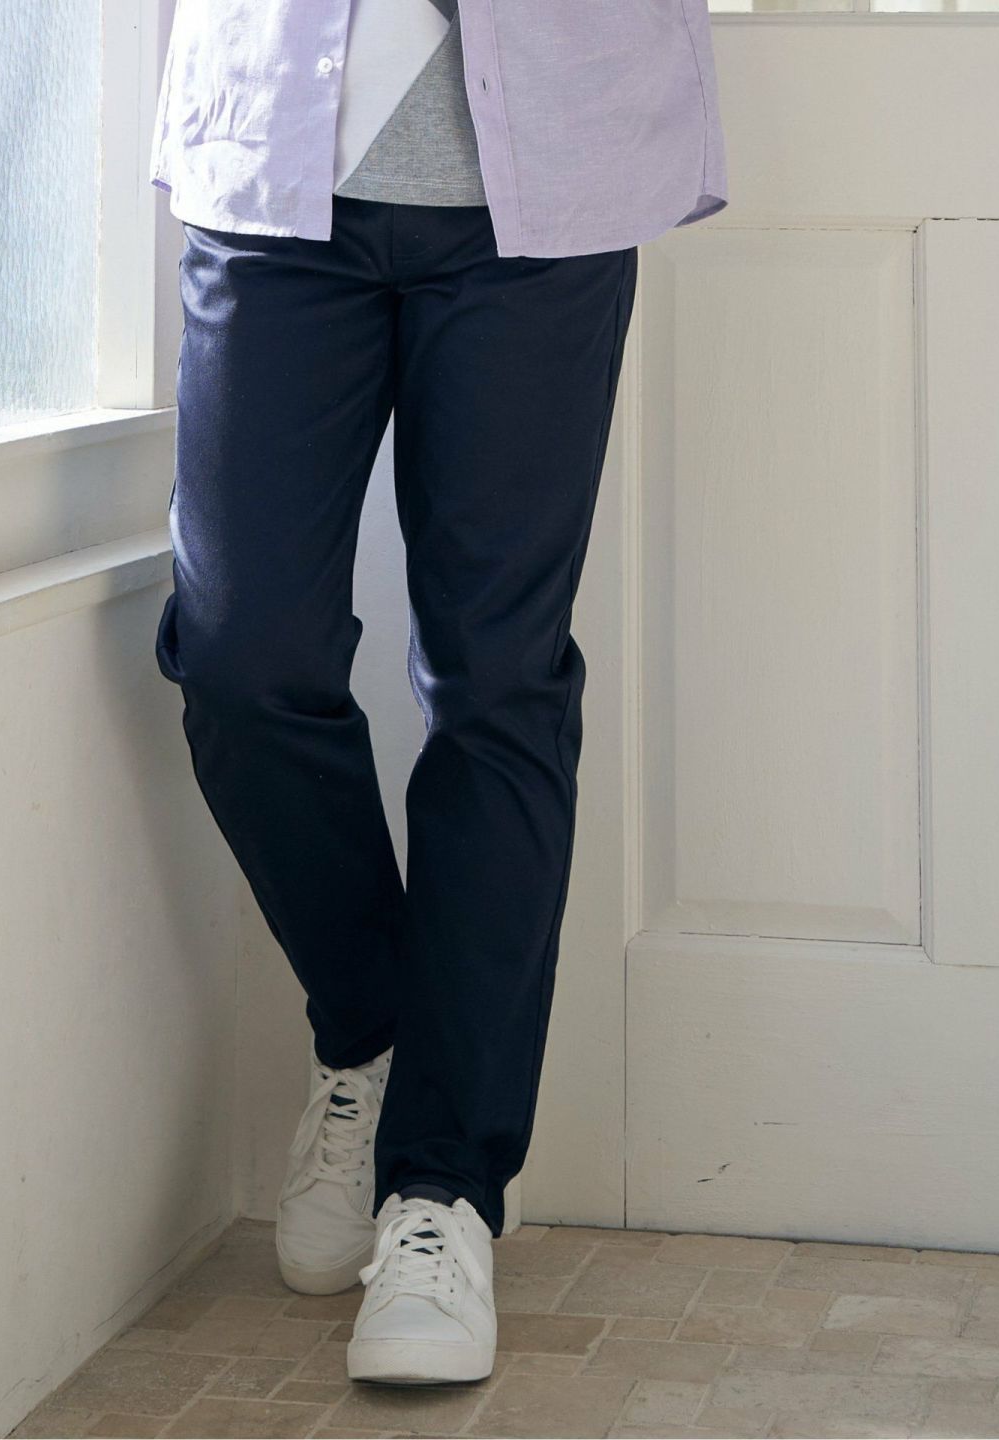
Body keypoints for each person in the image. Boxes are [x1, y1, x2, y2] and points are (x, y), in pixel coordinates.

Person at [149, 0, 728, 1386]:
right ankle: (373, 1034)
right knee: (241, 654)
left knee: (496, 682)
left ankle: (442, 1192)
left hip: (548, 179)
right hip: (275, 158)